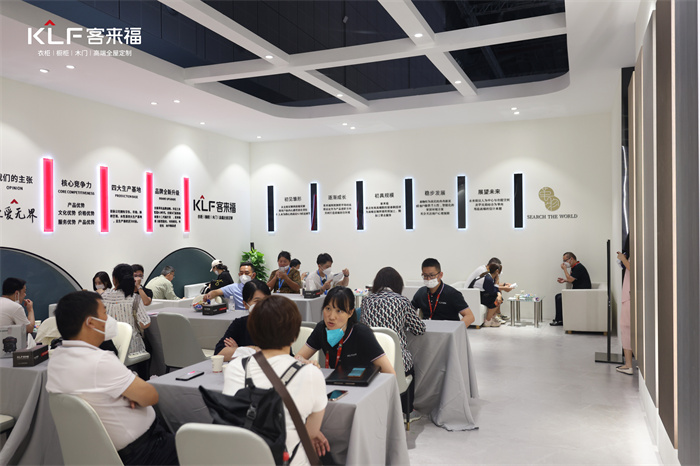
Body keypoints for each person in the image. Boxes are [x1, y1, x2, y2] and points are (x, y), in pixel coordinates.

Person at [46, 291, 177, 465]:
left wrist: (127, 391)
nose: (109, 319)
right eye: (105, 313)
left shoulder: (56, 359)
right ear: (91, 322)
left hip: (98, 454)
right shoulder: (100, 361)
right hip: (144, 451)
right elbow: (150, 396)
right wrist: (130, 393)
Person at [222, 295, 330, 466]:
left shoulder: (235, 368)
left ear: (253, 331)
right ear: (295, 335)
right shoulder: (311, 373)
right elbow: (311, 433)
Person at [360, 267, 425, 419]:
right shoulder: (402, 301)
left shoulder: (366, 300)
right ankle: (407, 411)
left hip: (370, 360)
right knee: (408, 362)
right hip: (396, 361)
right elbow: (419, 329)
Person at [296, 287, 395, 374]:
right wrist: (306, 362)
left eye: (339, 311)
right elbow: (298, 358)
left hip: (361, 384)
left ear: (350, 313)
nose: (331, 317)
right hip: (334, 384)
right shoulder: (321, 329)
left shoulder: (362, 333)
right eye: (328, 308)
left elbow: (390, 373)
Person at [214, 279, 270, 361]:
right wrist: (251, 349)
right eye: (257, 301)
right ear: (245, 304)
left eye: (266, 300)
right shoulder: (240, 324)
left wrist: (239, 351)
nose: (262, 305)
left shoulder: (278, 323)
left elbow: (279, 354)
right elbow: (219, 354)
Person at [102, 264, 150, 358]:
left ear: (114, 279)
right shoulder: (134, 298)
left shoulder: (103, 297)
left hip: (109, 348)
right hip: (132, 348)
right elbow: (145, 323)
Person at [412, 258, 475, 327]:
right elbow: (410, 311)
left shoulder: (452, 294)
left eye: (432, 275)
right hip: (426, 329)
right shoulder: (421, 292)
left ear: (440, 275)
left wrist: (456, 330)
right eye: (425, 275)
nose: (428, 279)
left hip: (448, 329)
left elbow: (470, 316)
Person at [551, 251, 592, 326]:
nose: (564, 263)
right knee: (558, 296)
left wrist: (565, 269)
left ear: (571, 259)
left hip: (582, 293)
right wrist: (565, 280)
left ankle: (559, 320)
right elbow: (574, 279)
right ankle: (560, 319)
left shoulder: (578, 267)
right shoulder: (575, 267)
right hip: (578, 291)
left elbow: (570, 279)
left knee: (559, 297)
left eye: (565, 260)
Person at [616, 250, 633, 374]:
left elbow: (634, 269)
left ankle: (628, 365)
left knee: (625, 328)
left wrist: (623, 259)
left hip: (629, 297)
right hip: (630, 295)